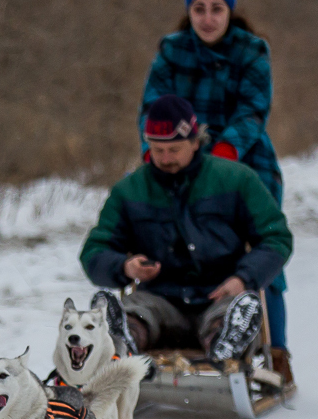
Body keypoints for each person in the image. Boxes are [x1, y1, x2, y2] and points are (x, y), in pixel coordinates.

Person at [139, 0, 293, 378]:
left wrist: (223, 152)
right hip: (178, 160)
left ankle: (277, 350)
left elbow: (253, 111)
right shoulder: (172, 51)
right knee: (169, 241)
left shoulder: (252, 51)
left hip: (245, 160)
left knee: (262, 250)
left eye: (216, 9)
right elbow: (153, 110)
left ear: (230, 11)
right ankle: (166, 334)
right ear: (189, 11)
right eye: (199, 9)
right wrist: (152, 151)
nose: (207, 18)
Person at [79, 95, 293, 364]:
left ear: (195, 142)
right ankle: (122, 339)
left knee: (232, 314)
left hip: (219, 295)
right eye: (157, 150)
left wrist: (244, 279)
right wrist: (125, 267)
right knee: (135, 313)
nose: (165, 158)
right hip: (159, 301)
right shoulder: (129, 191)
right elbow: (94, 252)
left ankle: (225, 344)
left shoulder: (237, 180)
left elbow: (276, 237)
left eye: (174, 149)